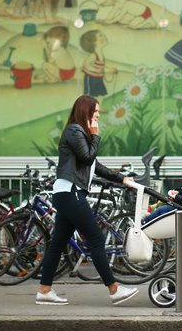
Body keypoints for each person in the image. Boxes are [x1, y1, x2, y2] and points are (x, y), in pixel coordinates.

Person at [36, 94, 139, 306]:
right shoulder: (75, 131)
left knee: (57, 244)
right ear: (85, 112)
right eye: (96, 113)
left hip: (68, 193)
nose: (98, 117)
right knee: (97, 239)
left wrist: (122, 179)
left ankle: (45, 290)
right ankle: (114, 289)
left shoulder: (80, 134)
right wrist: (96, 135)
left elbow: (95, 166)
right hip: (71, 192)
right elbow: (87, 158)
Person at [80, 29, 116, 98]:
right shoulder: (93, 55)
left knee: (100, 93)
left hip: (98, 78)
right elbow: (85, 65)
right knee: (90, 94)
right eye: (101, 36)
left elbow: (101, 67)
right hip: (91, 78)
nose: (104, 36)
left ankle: (98, 106)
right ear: (94, 42)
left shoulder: (101, 54)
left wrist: (109, 70)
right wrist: (95, 70)